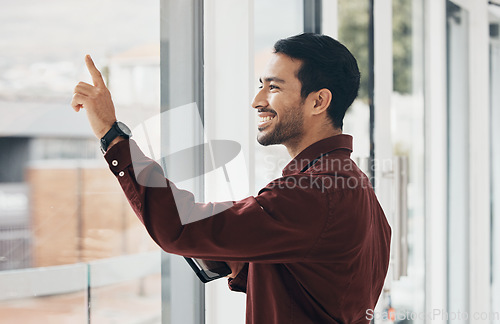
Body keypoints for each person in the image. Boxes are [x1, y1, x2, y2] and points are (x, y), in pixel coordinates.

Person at [71, 33, 391, 324]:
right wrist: (236, 253)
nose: (257, 100)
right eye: (261, 84)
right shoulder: (353, 183)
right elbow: (317, 289)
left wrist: (111, 135)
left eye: (274, 87)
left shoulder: (314, 191)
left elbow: (179, 225)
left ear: (319, 101)